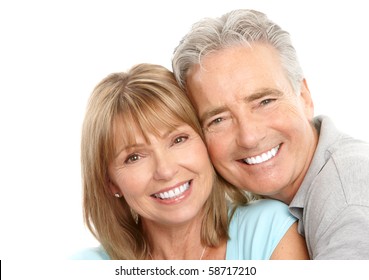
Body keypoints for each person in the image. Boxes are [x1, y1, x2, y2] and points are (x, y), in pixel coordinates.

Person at [171, 9, 369, 259]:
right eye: (219, 119)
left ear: (304, 97)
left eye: (265, 101)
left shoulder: (350, 203)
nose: (249, 137)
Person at [71, 63, 308, 260]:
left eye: (178, 140)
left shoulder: (268, 230)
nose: (165, 170)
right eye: (134, 157)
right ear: (110, 182)